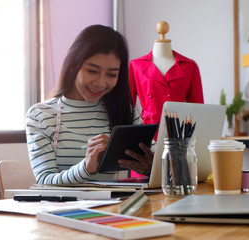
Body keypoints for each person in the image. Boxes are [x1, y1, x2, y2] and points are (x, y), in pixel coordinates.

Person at [25, 25, 154, 185]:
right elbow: (44, 180)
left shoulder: (125, 113)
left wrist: (151, 167)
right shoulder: (40, 116)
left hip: (116, 208)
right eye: (92, 71)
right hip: (65, 209)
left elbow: (162, 165)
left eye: (112, 74)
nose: (101, 83)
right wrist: (85, 168)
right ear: (73, 66)